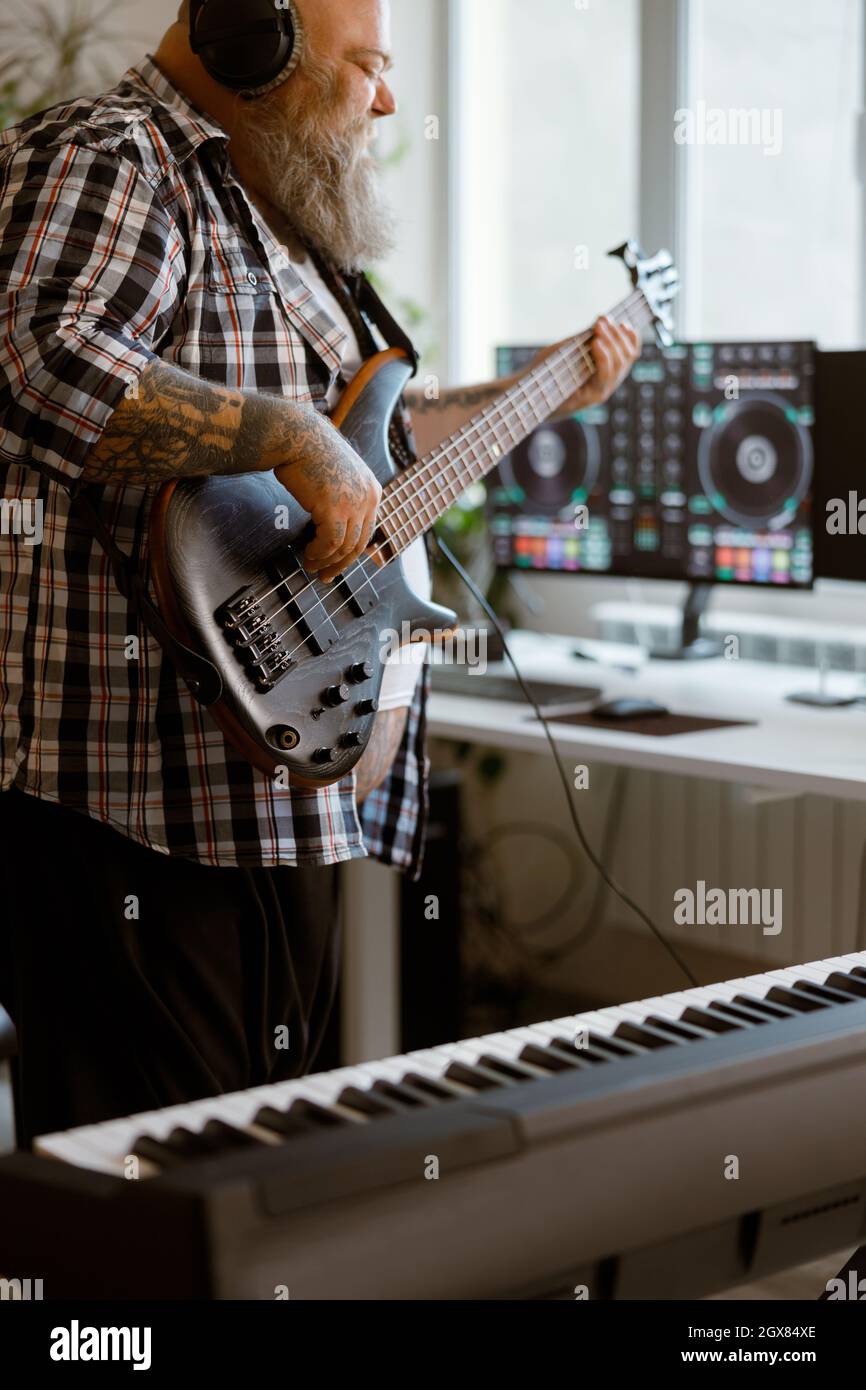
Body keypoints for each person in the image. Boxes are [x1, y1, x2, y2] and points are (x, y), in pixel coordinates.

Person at [0, 0, 640, 1145]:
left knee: (251, 1161)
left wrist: (541, 393)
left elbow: (373, 460)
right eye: (366, 67)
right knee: (145, 1186)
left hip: (280, 785)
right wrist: (288, 435)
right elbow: (41, 367)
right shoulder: (115, 155)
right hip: (137, 803)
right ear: (254, 42)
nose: (385, 100)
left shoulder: (278, 215)